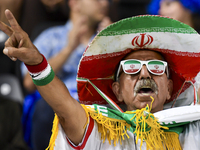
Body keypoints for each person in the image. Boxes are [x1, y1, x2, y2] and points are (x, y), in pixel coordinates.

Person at [2, 9, 200, 150]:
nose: (145, 74)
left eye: (156, 68)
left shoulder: (193, 128)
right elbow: (65, 108)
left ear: (169, 88)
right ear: (117, 90)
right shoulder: (100, 130)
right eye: (132, 68)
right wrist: (36, 62)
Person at [20, 0, 111, 149]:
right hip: (56, 107)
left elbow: (122, 85)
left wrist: (113, 45)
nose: (105, 3)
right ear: (74, 3)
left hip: (97, 107)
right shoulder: (51, 36)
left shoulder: (107, 39)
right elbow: (29, 82)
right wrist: (69, 49)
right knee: (46, 106)